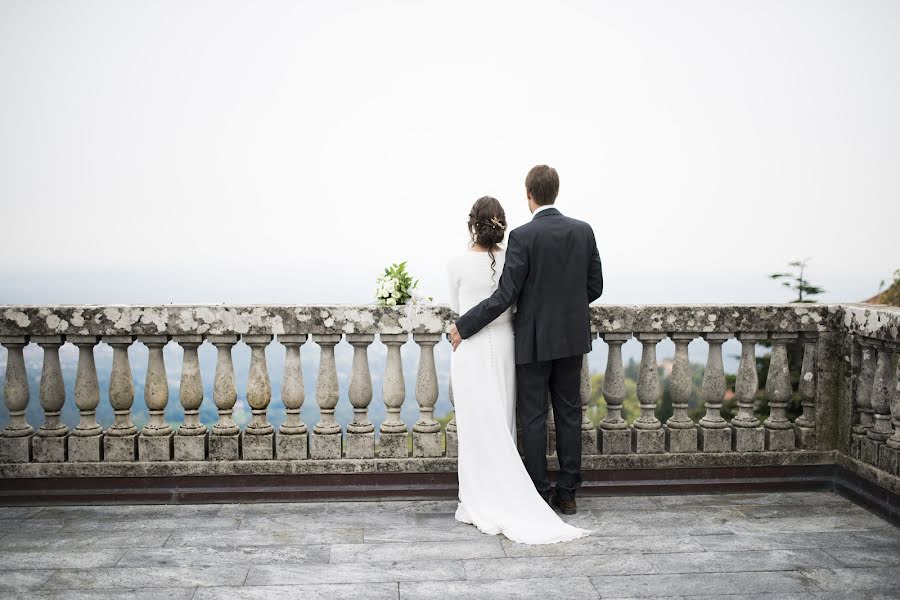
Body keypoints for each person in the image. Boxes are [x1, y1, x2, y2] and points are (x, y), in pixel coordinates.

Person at [450, 165, 604, 517]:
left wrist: (465, 324)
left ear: (528, 194)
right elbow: (594, 287)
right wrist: (566, 310)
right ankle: (567, 494)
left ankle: (537, 492)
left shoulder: (523, 237)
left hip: (533, 342)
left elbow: (506, 295)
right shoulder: (584, 232)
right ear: (556, 191)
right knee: (568, 414)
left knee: (533, 418)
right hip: (571, 339)